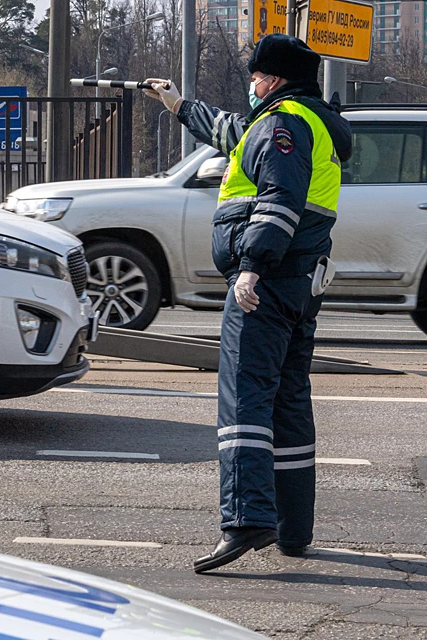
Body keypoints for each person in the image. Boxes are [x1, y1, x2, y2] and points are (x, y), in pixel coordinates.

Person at [143, 34, 352, 573]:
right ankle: (292, 528)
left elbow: (279, 200)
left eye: (256, 76)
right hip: (300, 281)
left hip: (267, 279)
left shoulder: (283, 124)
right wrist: (176, 102)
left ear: (274, 79)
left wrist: (252, 268)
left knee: (244, 399)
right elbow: (229, 131)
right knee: (287, 399)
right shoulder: (299, 119)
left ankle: (245, 519)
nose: (251, 83)